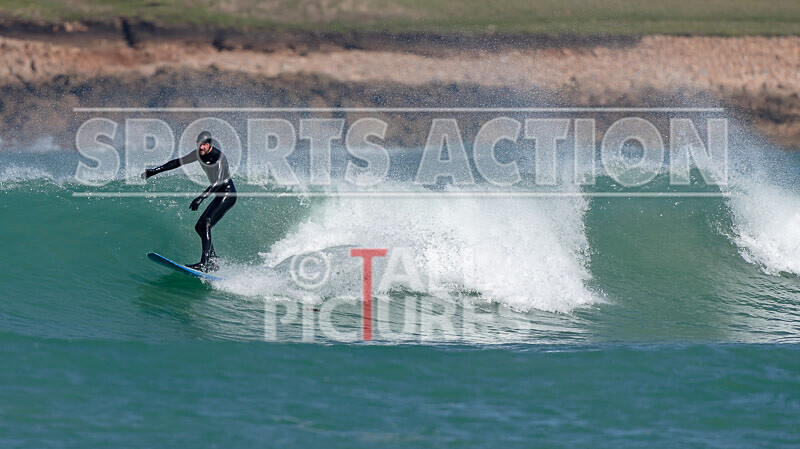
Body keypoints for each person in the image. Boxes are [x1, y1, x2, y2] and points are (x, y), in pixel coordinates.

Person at [141, 131, 236, 272]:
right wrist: (154, 171)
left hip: (227, 194)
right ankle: (213, 260)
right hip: (218, 195)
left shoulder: (219, 157)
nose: (201, 148)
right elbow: (177, 162)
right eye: (199, 144)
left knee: (205, 225)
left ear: (209, 145)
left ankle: (205, 263)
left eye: (204, 145)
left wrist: (201, 197)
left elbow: (218, 181)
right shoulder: (198, 154)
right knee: (200, 227)